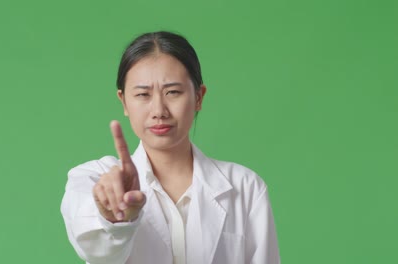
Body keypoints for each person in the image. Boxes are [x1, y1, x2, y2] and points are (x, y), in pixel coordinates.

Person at [60, 31, 280, 264]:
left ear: (198, 97)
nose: (159, 111)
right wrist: (114, 218)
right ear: (123, 101)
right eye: (143, 94)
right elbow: (97, 252)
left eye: (173, 92)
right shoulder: (93, 178)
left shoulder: (245, 188)